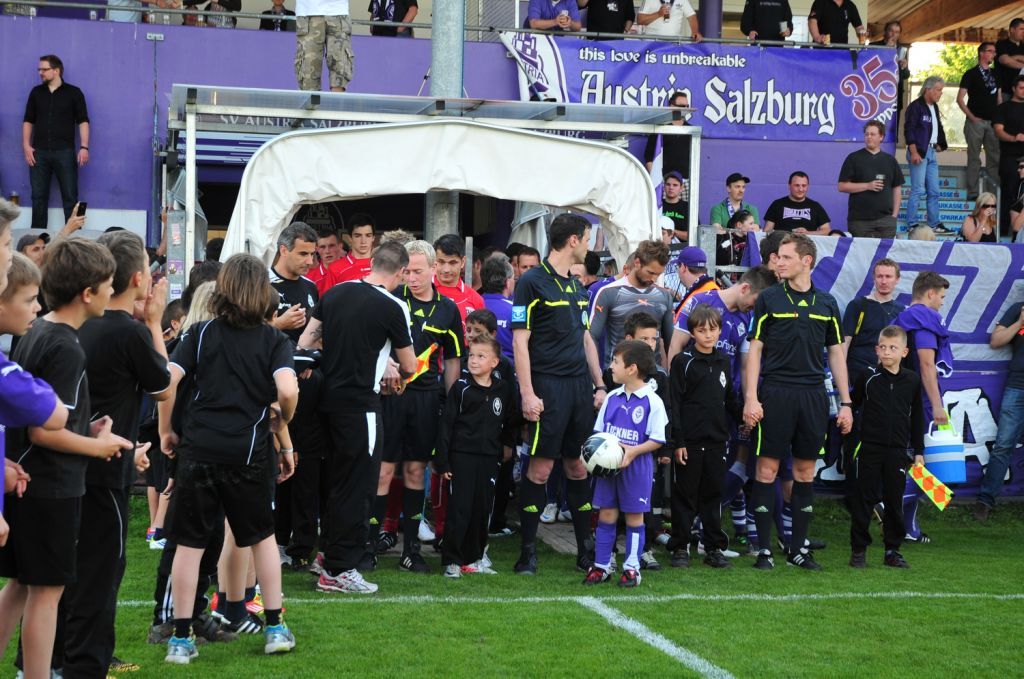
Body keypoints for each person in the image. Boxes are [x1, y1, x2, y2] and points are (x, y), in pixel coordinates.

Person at [158, 254, 297, 664]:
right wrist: (283, 418)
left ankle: (180, 638)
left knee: (189, 544)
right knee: (261, 538)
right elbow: (288, 389)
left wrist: (166, 430)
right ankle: (275, 627)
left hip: (199, 450)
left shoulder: (200, 333)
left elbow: (167, 381)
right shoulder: (274, 340)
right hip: (246, 453)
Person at [0, 238, 129, 679]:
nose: (113, 292)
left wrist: (85, 429)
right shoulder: (66, 347)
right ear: (88, 293)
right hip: (51, 487)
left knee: (21, 585)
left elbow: (36, 415)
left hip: (26, 480)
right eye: (109, 285)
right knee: (47, 593)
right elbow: (44, 429)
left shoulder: (36, 331)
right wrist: (98, 447)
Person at [62, 231, 171, 677]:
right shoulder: (130, 331)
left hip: (77, 459)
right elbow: (164, 386)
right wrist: (154, 323)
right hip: (106, 466)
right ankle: (90, 660)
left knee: (70, 565)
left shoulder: (79, 323)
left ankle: (55, 657)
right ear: (139, 278)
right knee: (103, 567)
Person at [298, 242, 417, 594]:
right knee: (358, 485)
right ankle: (339, 568)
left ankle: (328, 555)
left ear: (373, 263)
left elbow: (305, 342)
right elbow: (410, 365)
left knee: (336, 481)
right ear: (401, 273)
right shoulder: (393, 306)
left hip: (326, 400)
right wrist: (392, 368)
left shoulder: (335, 293)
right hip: (360, 405)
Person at [744, 234, 853, 571]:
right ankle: (764, 551)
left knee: (805, 471)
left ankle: (798, 549)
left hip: (813, 396)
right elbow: (755, 349)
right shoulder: (769, 298)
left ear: (806, 261)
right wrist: (751, 397)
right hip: (775, 393)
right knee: (767, 469)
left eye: (786, 257)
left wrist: (846, 402)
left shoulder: (827, 303)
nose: (778, 262)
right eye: (777, 257)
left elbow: (836, 353)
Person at [511, 214, 605, 576]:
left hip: (579, 388)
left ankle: (585, 551)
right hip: (547, 387)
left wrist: (599, 385)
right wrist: (527, 393)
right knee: (540, 469)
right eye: (587, 239)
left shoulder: (578, 286)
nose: (589, 246)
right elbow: (520, 341)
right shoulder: (531, 282)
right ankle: (527, 553)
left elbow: (585, 338)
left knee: (578, 466)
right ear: (573, 240)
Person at [373, 240, 463, 575]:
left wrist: (451, 404)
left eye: (418, 271)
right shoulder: (391, 299)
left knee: (414, 471)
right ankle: (370, 545)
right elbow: (374, 343)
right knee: (383, 472)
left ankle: (410, 549)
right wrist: (385, 366)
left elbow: (453, 359)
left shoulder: (448, 309)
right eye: (407, 271)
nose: (411, 277)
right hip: (390, 397)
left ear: (433, 269)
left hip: (426, 399)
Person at [584, 340, 668, 588]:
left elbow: (657, 439)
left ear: (632, 369)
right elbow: (599, 433)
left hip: (637, 468)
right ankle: (602, 566)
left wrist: (633, 452)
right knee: (606, 514)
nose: (611, 366)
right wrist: (592, 453)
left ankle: (632, 568)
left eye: (616, 362)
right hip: (609, 469)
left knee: (634, 517)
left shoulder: (653, 401)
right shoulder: (612, 397)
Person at [434, 336, 519, 577]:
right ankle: (452, 561)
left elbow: (511, 419)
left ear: (494, 362)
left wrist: (507, 446)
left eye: (481, 356)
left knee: (482, 509)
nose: (474, 360)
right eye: (471, 355)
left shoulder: (503, 389)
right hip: (462, 457)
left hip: (489, 458)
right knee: (460, 508)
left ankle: (473, 559)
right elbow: (446, 426)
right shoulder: (460, 388)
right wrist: (443, 460)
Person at [668, 304, 739, 569]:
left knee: (713, 495)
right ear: (692, 333)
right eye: (702, 330)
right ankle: (680, 547)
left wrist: (745, 416)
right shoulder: (683, 362)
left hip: (717, 441)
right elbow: (674, 404)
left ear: (720, 331)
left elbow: (729, 398)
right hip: (689, 442)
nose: (708, 335)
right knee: (685, 496)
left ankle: (713, 548)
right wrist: (678, 442)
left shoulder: (723, 360)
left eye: (713, 329)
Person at [848, 325, 923, 570]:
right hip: (869, 448)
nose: (887, 352)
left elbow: (917, 417)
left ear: (904, 352)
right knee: (864, 500)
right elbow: (852, 405)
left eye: (893, 347)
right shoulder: (867, 377)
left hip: (898, 451)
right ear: (876, 350)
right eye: (883, 347)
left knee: (894, 500)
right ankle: (859, 550)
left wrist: (918, 451)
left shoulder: (912, 380)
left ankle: (892, 550)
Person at [894, 271, 952, 545]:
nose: (941, 302)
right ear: (930, 293)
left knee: (912, 463)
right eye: (941, 297)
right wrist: (937, 405)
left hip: (899, 398)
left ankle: (909, 528)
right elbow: (927, 364)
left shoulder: (902, 317)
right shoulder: (925, 318)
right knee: (930, 464)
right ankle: (888, 503)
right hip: (920, 400)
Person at [23, 55, 90, 232]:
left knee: (70, 197)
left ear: (56, 71)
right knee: (38, 197)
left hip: (65, 152)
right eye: (39, 69)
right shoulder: (36, 93)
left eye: (44, 69)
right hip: (39, 153)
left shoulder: (74, 93)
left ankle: (74, 239)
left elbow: (83, 121)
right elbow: (28, 120)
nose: (40, 72)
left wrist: (84, 147)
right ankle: (37, 240)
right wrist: (26, 145)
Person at [975, 296, 1024, 521]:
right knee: (1003, 444)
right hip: (1018, 385)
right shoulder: (1018, 309)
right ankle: (985, 502)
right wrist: (1019, 322)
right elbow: (995, 341)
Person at [589, 240, 674, 368]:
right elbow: (591, 337)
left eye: (658, 274)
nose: (654, 279)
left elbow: (670, 342)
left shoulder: (664, 296)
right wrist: (598, 377)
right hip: (618, 373)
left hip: (652, 373)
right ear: (637, 263)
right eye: (650, 273)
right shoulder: (608, 292)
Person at [838, 120, 904, 239]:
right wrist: (868, 185)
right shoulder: (853, 158)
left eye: (873, 134)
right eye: (866, 134)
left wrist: (894, 216)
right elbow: (842, 186)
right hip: (859, 221)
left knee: (885, 251)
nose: (869, 137)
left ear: (881, 137)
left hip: (886, 221)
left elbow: (897, 189)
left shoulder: (890, 161)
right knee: (861, 251)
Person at [904, 76, 950, 235]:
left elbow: (937, 127)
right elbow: (909, 129)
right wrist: (914, 152)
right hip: (919, 152)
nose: (940, 93)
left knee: (934, 191)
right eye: (938, 90)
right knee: (918, 189)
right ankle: (911, 223)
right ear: (927, 89)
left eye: (941, 90)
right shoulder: (915, 106)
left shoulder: (934, 107)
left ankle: (934, 223)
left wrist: (941, 144)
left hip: (931, 152)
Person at [957, 43, 1002, 201]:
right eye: (990, 51)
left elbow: (999, 98)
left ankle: (993, 194)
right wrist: (972, 117)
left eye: (994, 52)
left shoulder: (996, 74)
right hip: (975, 122)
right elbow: (960, 99)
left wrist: (999, 119)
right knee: (974, 157)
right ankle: (973, 192)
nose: (993, 55)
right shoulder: (970, 74)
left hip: (992, 122)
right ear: (981, 53)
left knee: (994, 158)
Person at [294, 0, 354, 92]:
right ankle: (312, 102)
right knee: (308, 75)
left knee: (339, 73)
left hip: (338, 11)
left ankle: (337, 101)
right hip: (308, 11)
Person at [643, 91, 694, 193]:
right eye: (682, 106)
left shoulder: (691, 130)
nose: (685, 109)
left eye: (687, 106)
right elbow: (649, 158)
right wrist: (658, 182)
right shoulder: (659, 128)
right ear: (671, 106)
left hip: (685, 183)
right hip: (664, 182)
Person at [994, 76, 1024, 234]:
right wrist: (1014, 138)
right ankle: (1004, 231)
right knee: (1008, 194)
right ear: (1013, 88)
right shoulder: (1003, 108)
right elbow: (998, 131)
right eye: (1021, 88)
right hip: (1009, 158)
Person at [869, 21, 910, 135]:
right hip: (876, 94)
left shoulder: (901, 50)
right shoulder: (874, 46)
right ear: (885, 32)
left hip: (895, 96)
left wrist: (904, 67)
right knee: (874, 127)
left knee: (892, 131)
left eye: (897, 32)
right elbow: (869, 67)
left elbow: (905, 76)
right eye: (891, 31)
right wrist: (886, 49)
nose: (893, 34)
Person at [434, 234, 485, 323]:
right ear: (434, 261)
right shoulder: (420, 291)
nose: (446, 269)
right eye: (441, 262)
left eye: (452, 263)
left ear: (463, 262)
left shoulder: (476, 300)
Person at [763, 171, 831, 235]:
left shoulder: (815, 206)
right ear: (789, 186)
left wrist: (807, 233)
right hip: (782, 243)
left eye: (804, 185)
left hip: (807, 243)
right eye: (797, 185)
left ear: (808, 186)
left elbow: (826, 230)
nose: (800, 189)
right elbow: (767, 231)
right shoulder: (777, 204)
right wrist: (785, 236)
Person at [479, 254, 515, 360]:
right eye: (513, 278)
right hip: (509, 368)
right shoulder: (515, 310)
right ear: (508, 283)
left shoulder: (474, 305)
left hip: (477, 366)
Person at [325, 214, 375, 286]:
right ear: (350, 238)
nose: (363, 241)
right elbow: (329, 293)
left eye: (368, 235)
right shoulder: (335, 268)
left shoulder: (384, 265)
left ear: (373, 238)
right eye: (358, 236)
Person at [636, 0, 700, 41]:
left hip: (674, 43)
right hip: (651, 42)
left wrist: (695, 33)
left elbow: (691, 16)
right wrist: (658, 14)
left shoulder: (683, 0)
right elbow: (640, 20)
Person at [307, 225, 342, 294]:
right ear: (316, 249)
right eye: (322, 247)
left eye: (331, 246)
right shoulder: (310, 279)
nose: (327, 251)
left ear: (340, 246)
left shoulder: (351, 271)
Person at [995, 18, 1024, 101]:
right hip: (1005, 91)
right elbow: (1005, 60)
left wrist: (1015, 57)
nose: (1023, 32)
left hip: (1022, 91)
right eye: (1021, 29)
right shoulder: (1001, 44)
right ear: (1012, 30)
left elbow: (1007, 59)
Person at [660, 171, 689, 242]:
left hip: (682, 247)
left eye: (675, 185)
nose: (671, 187)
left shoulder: (688, 208)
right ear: (664, 187)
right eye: (668, 184)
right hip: (659, 245)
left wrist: (673, 232)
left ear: (681, 188)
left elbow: (694, 235)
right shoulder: (657, 205)